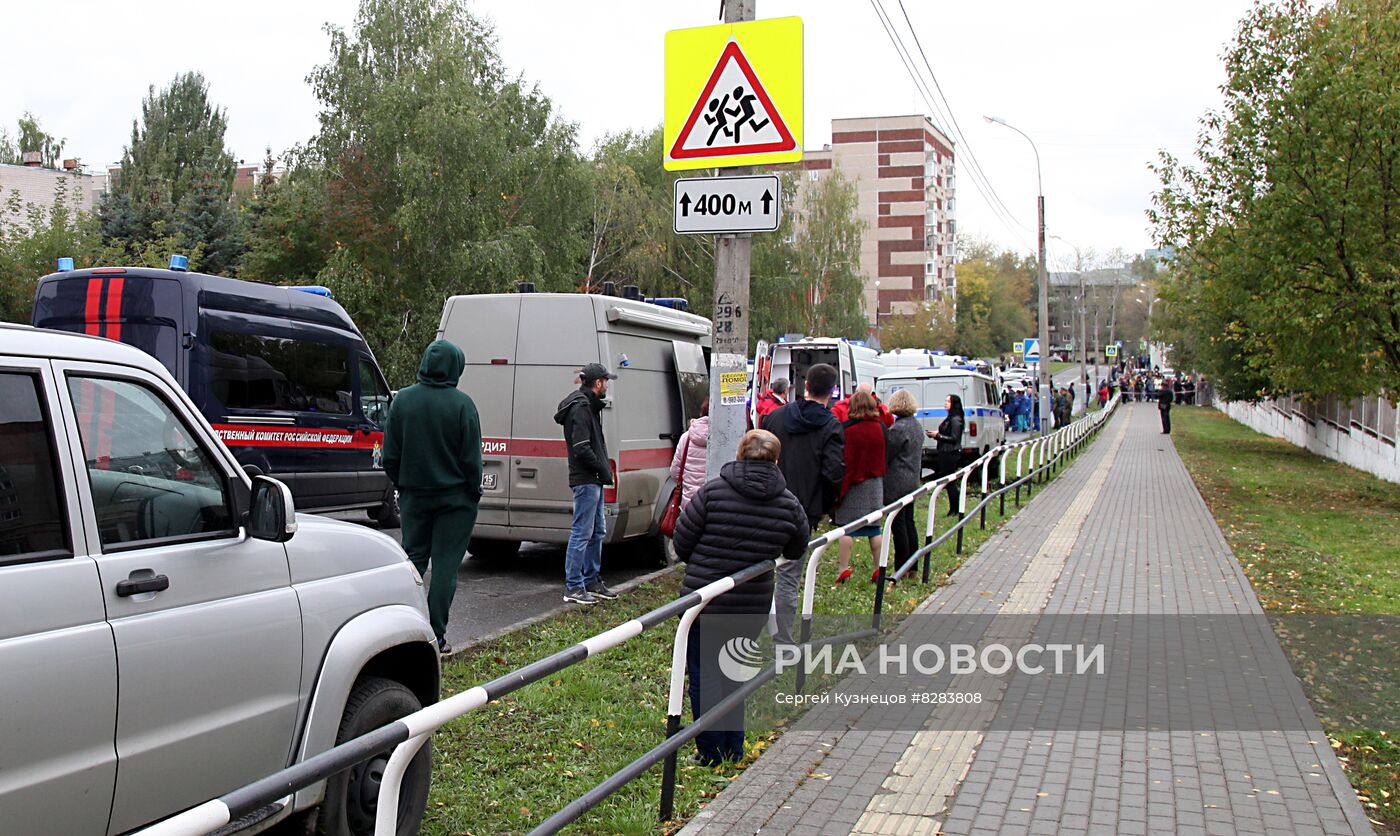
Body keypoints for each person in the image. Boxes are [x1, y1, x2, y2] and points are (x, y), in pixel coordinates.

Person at [673, 429, 809, 766]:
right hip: (752, 604)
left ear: (739, 454)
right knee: (734, 674)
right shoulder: (788, 503)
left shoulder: (712, 492)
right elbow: (796, 547)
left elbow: (682, 542)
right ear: (777, 460)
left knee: (705, 677)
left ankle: (709, 753)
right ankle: (734, 748)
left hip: (706, 603)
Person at [383, 339, 483, 655]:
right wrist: (473, 489)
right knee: (445, 568)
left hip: (414, 497)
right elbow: (471, 460)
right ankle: (436, 636)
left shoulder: (403, 401)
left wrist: (404, 484)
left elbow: (390, 455)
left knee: (412, 562)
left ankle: (404, 631)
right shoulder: (463, 404)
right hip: (455, 500)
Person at [762, 363, 844, 641]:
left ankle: (747, 630)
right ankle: (782, 637)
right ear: (832, 391)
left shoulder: (775, 418)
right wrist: (826, 506)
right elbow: (833, 472)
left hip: (766, 503)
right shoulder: (831, 425)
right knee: (788, 575)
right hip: (803, 511)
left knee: (757, 571)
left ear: (805, 385)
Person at [554, 362, 620, 605]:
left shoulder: (588, 406)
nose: (607, 386)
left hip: (593, 479)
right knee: (582, 531)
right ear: (598, 383)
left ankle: (592, 580)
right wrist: (603, 468)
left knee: (597, 530)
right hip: (586, 479)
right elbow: (582, 448)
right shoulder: (581, 409)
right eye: (606, 381)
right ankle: (573, 586)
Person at [834, 391, 886, 584]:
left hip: (853, 484)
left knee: (847, 529)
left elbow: (843, 459)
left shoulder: (846, 429)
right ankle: (879, 568)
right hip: (874, 484)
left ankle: (843, 569)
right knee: (874, 528)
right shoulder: (880, 427)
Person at [883, 389, 924, 576]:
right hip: (912, 479)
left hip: (897, 480)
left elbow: (888, 454)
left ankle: (901, 567)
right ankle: (913, 565)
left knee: (897, 525)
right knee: (909, 521)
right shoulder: (916, 425)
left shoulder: (897, 429)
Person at [669, 398, 710, 509]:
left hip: (689, 506)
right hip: (714, 506)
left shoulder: (686, 437)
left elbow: (675, 472)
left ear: (702, 412)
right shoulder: (725, 440)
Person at [929, 393, 966, 516]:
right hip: (945, 451)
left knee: (950, 481)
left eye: (948, 401)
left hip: (950, 452)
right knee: (948, 481)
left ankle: (955, 508)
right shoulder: (950, 418)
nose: (945, 403)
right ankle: (954, 508)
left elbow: (954, 438)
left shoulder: (956, 419)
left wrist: (938, 436)